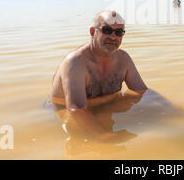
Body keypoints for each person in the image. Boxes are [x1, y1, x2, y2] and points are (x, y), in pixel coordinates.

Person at [51, 10, 148, 140]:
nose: (113, 37)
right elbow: (76, 109)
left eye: (118, 32)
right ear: (92, 32)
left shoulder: (123, 58)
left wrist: (168, 110)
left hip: (105, 109)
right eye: (107, 30)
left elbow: (141, 91)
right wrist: (104, 136)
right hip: (68, 112)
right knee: (80, 135)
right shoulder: (75, 62)